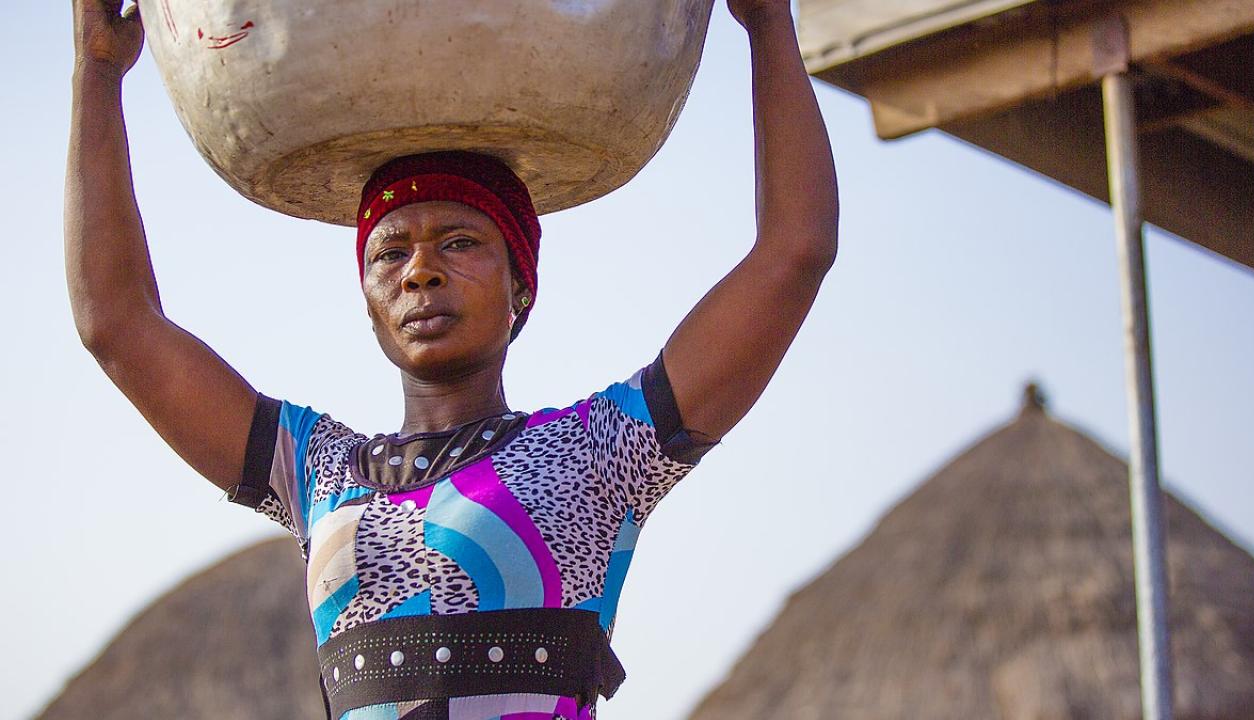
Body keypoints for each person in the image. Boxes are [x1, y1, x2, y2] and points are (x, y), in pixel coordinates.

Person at [67, 0, 838, 717]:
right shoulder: (311, 470)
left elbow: (793, 252)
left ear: (520, 289)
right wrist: (97, 73)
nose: (420, 272)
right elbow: (118, 324)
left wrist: (767, 23)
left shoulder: (600, 455)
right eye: (390, 253)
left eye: (461, 243)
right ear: (368, 300)